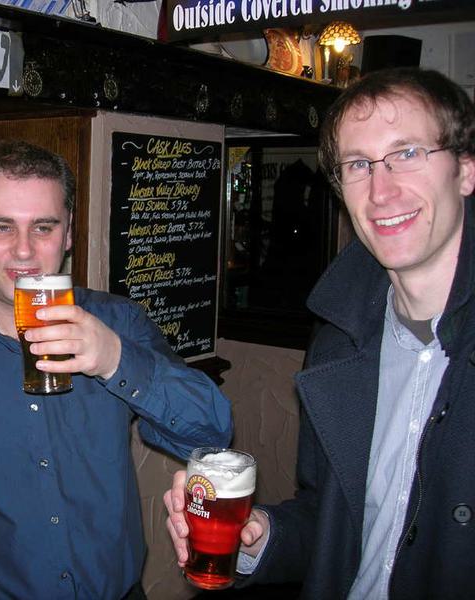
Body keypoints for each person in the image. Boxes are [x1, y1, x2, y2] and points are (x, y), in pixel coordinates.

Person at [164, 67, 475, 598]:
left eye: (406, 153)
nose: (381, 191)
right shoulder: (338, 340)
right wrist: (257, 537)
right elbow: (330, 519)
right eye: (358, 165)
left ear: (465, 170)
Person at [0, 139, 233, 599]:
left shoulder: (119, 322)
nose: (23, 251)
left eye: (43, 227)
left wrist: (114, 358)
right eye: (2, 227)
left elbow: (212, 434)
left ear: (69, 233)